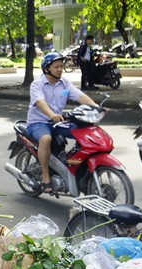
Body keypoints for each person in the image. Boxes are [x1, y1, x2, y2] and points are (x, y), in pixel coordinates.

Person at [26, 52, 99, 194]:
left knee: (84, 132)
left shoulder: (64, 83)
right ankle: (46, 177)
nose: (60, 69)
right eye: (56, 67)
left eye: (61, 66)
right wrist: (52, 114)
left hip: (58, 122)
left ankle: (71, 166)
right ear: (47, 69)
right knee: (46, 138)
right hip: (38, 122)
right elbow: (40, 102)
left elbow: (80, 96)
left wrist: (96, 106)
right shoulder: (37, 84)